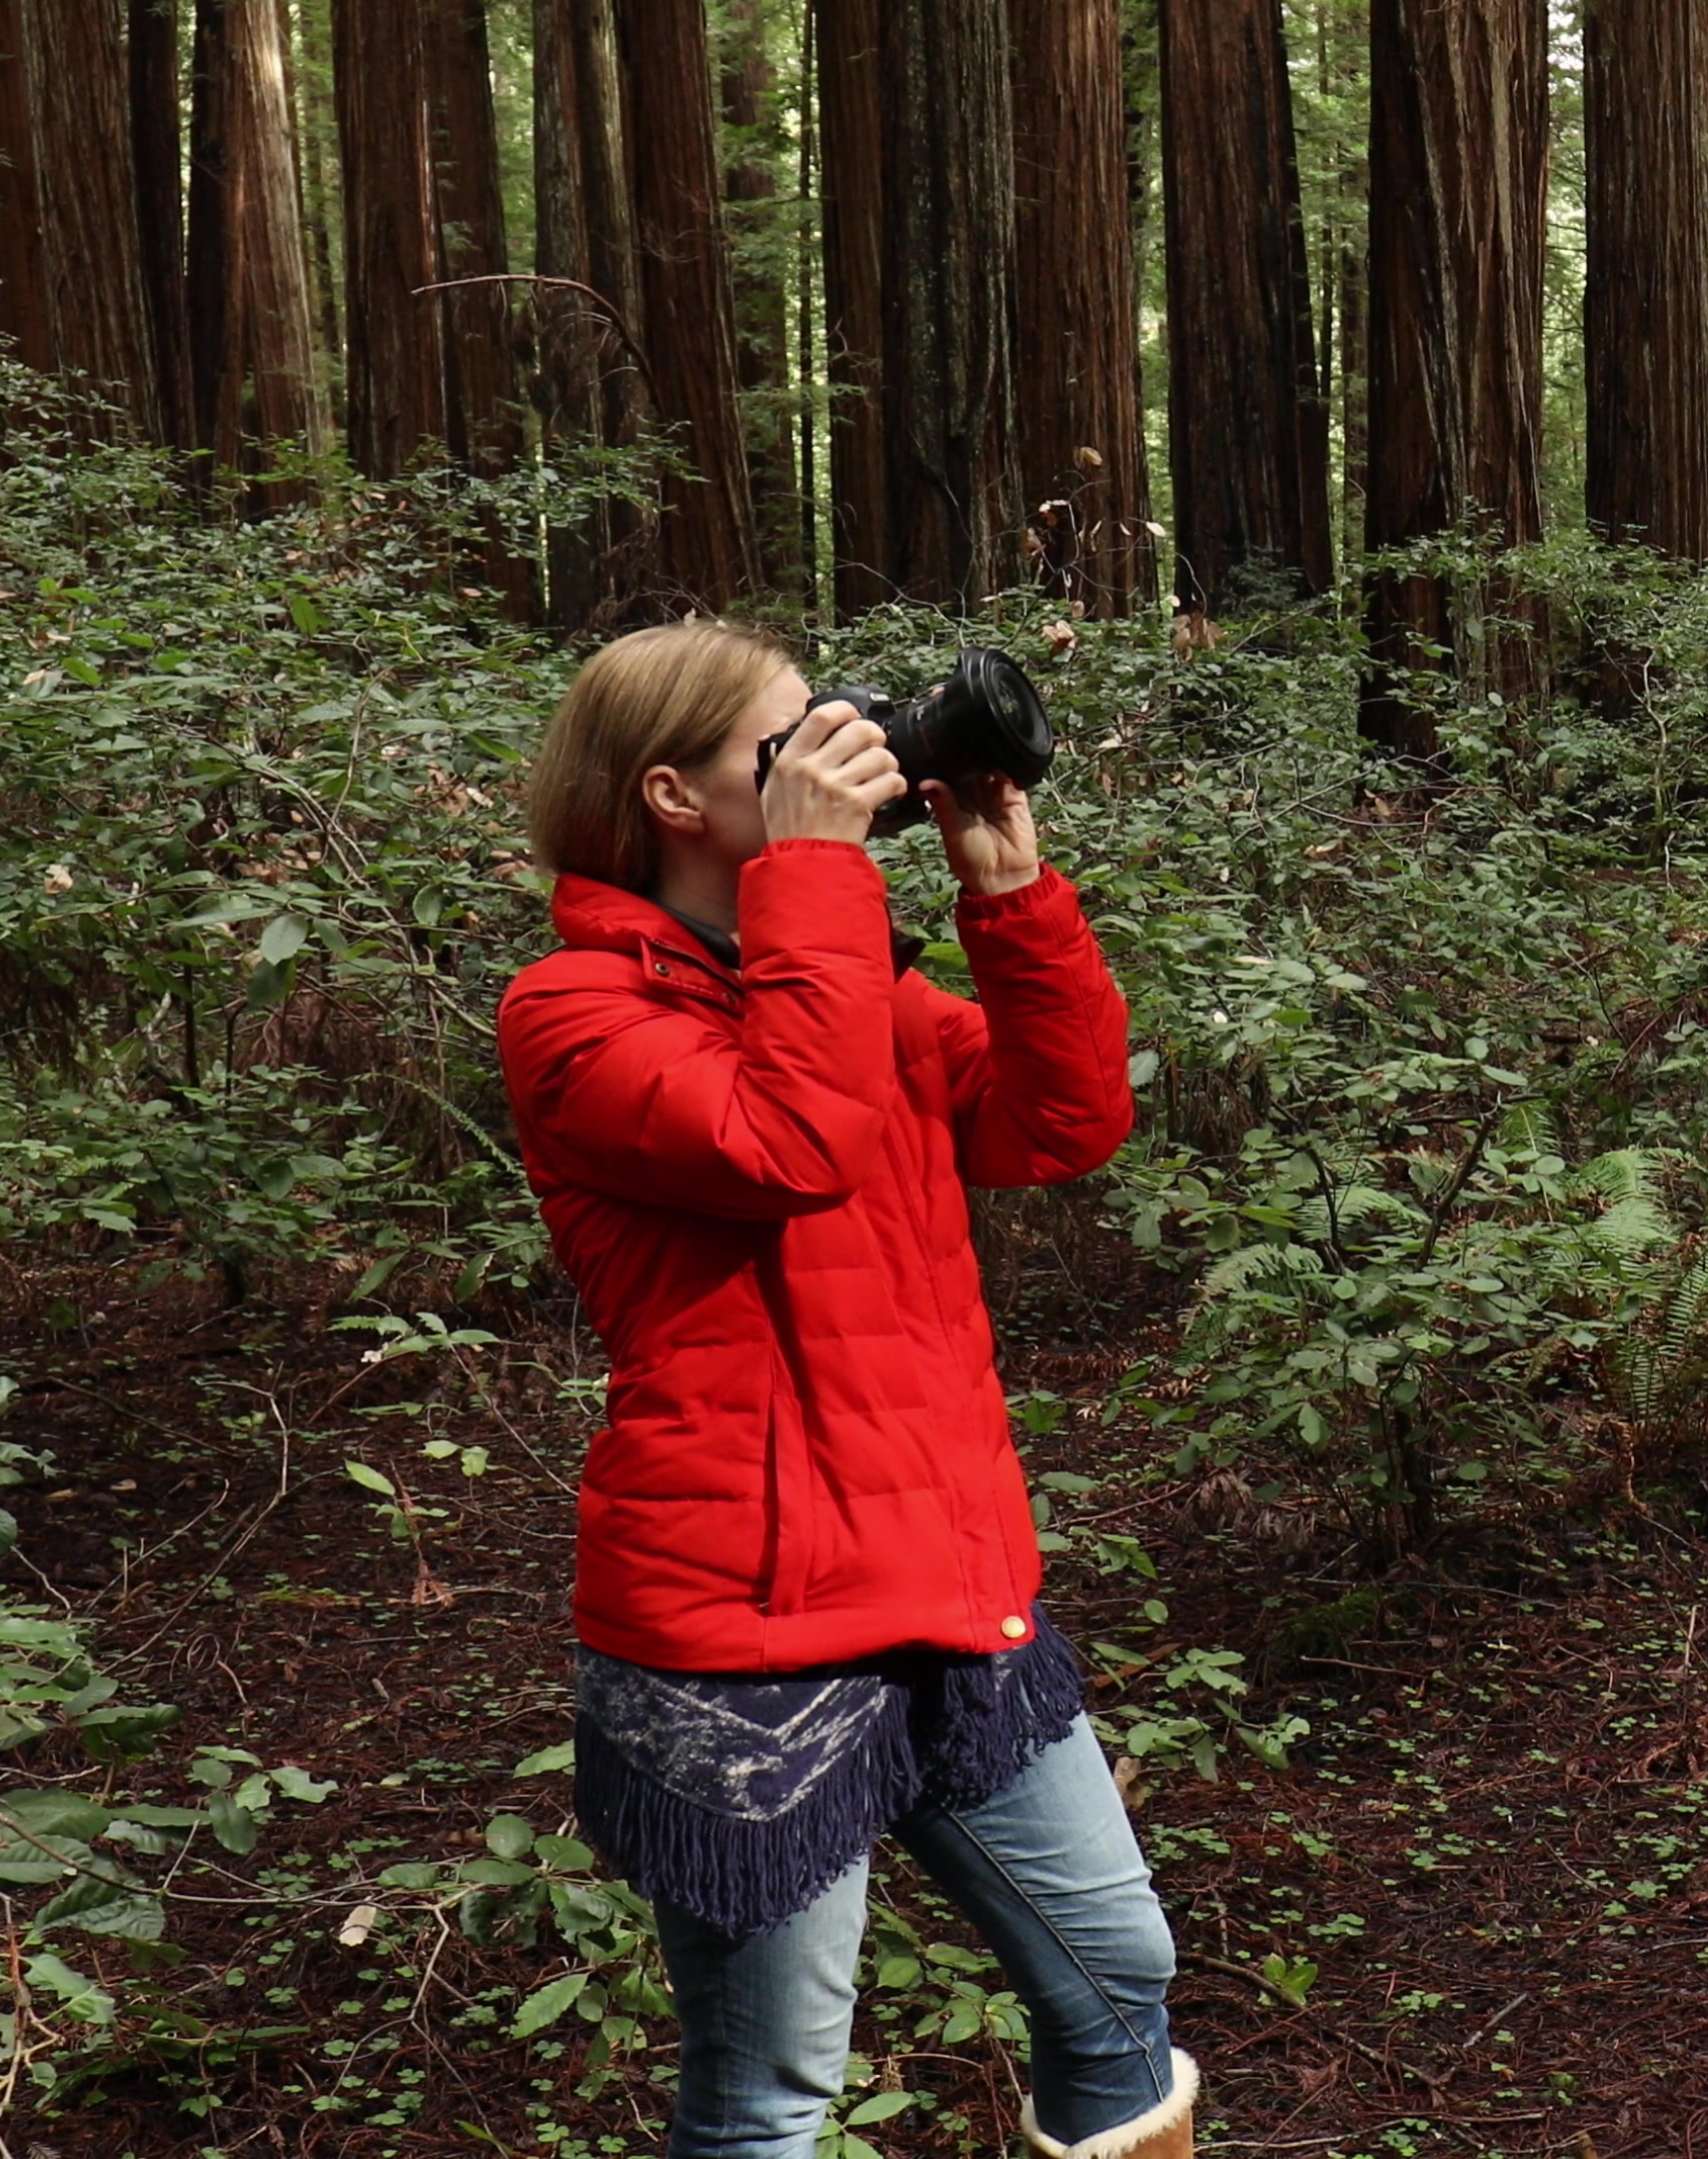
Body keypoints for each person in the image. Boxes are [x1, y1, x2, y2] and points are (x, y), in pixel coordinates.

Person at [500, 622, 1192, 2159]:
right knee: (771, 2096)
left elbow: (1061, 1122)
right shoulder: (574, 1013)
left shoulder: (848, 985)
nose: (841, 756)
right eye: (788, 743)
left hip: (945, 1573)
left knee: (1117, 1980)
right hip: (745, 1623)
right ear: (673, 795)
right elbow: (790, 1144)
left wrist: (1007, 893)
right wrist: (816, 874)